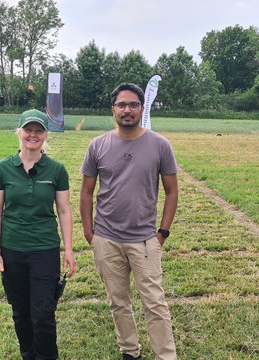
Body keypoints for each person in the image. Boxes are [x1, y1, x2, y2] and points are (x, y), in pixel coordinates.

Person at [80, 83, 179, 360]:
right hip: (106, 239)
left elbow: (172, 191)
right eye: (121, 105)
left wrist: (163, 233)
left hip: (145, 240)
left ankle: (165, 355)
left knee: (155, 303)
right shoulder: (97, 145)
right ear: (113, 110)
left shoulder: (160, 145)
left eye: (133, 104)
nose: (127, 110)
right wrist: (91, 234)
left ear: (141, 108)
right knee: (118, 301)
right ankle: (129, 351)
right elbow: (86, 191)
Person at [0, 109, 76, 360]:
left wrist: (68, 250)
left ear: (46, 135)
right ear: (19, 132)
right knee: (21, 313)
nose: (33, 135)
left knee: (44, 313)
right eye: (28, 130)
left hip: (44, 249)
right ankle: (28, 355)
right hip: (12, 250)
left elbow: (64, 211)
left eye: (39, 131)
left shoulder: (56, 170)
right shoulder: (3, 168)